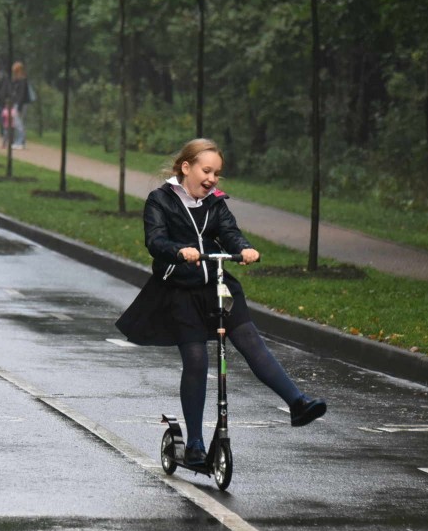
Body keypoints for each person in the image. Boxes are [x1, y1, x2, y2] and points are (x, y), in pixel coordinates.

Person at [115, 138, 327, 465]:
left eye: (217, 173)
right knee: (197, 360)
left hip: (217, 286)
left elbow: (229, 231)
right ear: (186, 168)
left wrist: (244, 249)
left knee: (250, 340)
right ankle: (196, 445)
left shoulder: (215, 202)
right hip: (180, 291)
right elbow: (155, 239)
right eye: (207, 170)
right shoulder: (160, 200)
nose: (213, 178)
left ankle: (297, 403)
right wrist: (177, 251)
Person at [8, 61, 30, 149]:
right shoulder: (17, 80)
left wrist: (18, 106)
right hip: (17, 103)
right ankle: (20, 141)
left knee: (18, 123)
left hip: (20, 104)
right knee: (18, 122)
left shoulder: (22, 80)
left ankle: (20, 142)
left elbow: (21, 94)